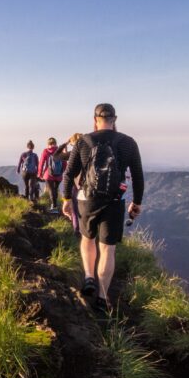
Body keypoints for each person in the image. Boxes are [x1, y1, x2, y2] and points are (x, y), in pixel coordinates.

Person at [61, 104, 144, 312]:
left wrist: (65, 199)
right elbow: (137, 176)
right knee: (108, 248)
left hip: (86, 200)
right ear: (114, 119)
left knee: (87, 239)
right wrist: (137, 203)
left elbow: (69, 173)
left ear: (95, 119)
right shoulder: (128, 143)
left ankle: (89, 276)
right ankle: (103, 297)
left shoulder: (83, 141)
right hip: (114, 201)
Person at [38, 137, 64, 213]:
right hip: (58, 175)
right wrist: (62, 171)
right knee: (55, 189)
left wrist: (39, 173)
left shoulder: (46, 151)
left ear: (48, 144)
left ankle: (54, 207)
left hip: (48, 174)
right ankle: (55, 205)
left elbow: (41, 163)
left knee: (51, 190)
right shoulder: (60, 150)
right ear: (55, 143)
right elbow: (64, 163)